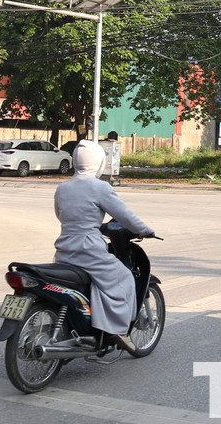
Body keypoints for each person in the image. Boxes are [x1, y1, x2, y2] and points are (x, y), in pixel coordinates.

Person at [53, 140, 155, 355]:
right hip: (89, 250)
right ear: (99, 162)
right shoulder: (100, 187)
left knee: (97, 282)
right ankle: (118, 331)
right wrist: (145, 230)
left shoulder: (63, 188)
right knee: (124, 278)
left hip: (63, 249)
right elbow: (124, 215)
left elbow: (60, 215)